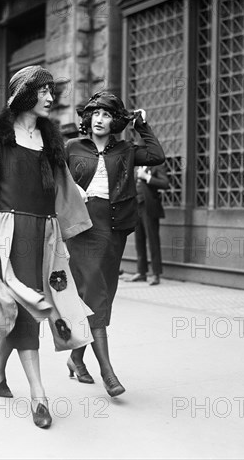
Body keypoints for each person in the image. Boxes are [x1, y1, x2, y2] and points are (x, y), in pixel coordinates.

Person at [0, 65, 94, 429]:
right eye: (44, 91)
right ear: (24, 95)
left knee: (34, 306)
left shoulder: (52, 140)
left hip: (46, 235)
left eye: (52, 91)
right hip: (10, 234)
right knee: (27, 307)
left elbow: (63, 186)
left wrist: (79, 210)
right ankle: (39, 395)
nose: (51, 98)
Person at [65, 91, 165, 396]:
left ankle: (76, 358)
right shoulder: (71, 147)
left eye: (106, 114)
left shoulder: (125, 149)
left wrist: (141, 125)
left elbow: (157, 155)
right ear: (88, 118)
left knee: (100, 295)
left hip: (114, 226)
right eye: (95, 113)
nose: (99, 119)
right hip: (82, 226)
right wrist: (72, 191)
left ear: (115, 122)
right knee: (95, 292)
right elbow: (52, 178)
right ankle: (108, 374)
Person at [127, 163, 169, 286]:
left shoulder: (157, 166)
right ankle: (141, 272)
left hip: (149, 207)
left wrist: (147, 177)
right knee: (139, 240)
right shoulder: (135, 167)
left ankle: (156, 274)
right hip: (136, 206)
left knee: (153, 240)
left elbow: (165, 183)